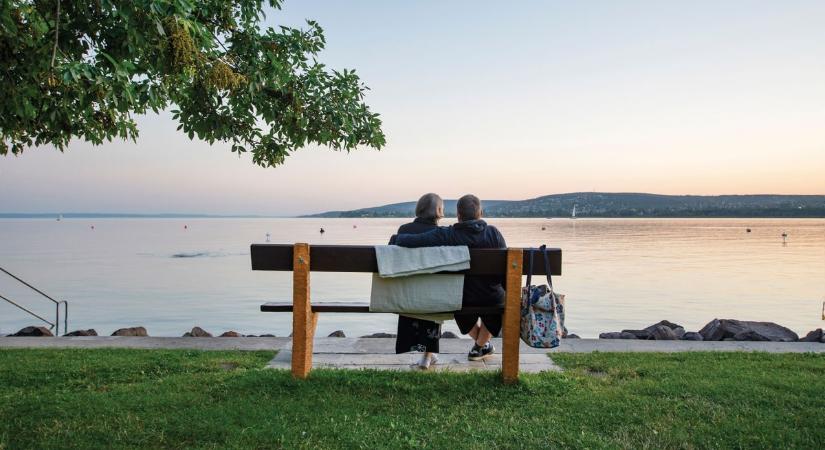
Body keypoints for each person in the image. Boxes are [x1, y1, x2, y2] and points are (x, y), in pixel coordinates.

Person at [394, 194, 506, 361]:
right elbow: (504, 267)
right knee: (495, 306)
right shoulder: (494, 233)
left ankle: (481, 346)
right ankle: (481, 347)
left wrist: (398, 239)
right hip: (492, 297)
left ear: (458, 215)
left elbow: (417, 240)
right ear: (480, 213)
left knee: (461, 310)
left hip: (461, 298)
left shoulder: (448, 234)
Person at [389, 193, 445, 369]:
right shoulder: (442, 234)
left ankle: (424, 354)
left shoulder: (403, 230)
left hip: (407, 292)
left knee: (419, 289)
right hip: (433, 293)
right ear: (438, 211)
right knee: (433, 293)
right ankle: (427, 357)